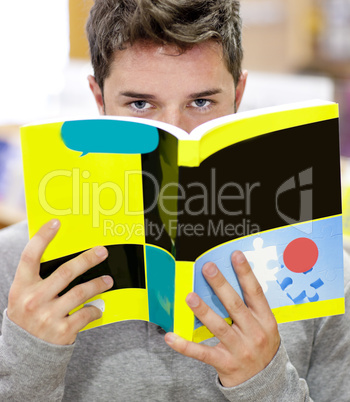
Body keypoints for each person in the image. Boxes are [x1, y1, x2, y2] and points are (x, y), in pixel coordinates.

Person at [0, 0, 349, 400]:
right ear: (98, 99)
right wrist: (30, 357)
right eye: (140, 104)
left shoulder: (327, 273)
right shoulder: (14, 269)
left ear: (239, 93)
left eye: (201, 102)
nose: (174, 134)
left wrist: (264, 380)